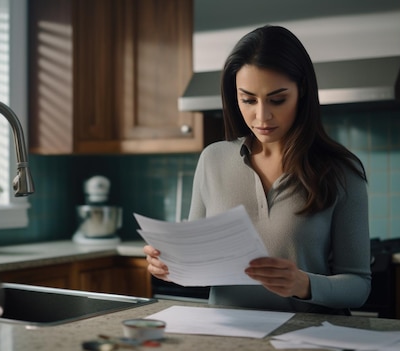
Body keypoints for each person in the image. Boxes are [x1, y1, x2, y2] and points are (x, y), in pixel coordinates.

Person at [144, 25, 371, 314]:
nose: (261, 116)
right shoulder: (212, 160)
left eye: (277, 100)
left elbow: (359, 286)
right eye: (248, 100)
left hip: (306, 339)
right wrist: (169, 266)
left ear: (302, 91)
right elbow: (195, 267)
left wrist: (304, 284)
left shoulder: (341, 171)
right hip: (228, 337)